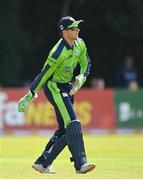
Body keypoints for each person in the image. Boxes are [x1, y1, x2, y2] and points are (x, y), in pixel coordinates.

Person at [17, 16, 95, 174]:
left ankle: (42, 163)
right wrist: (30, 94)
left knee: (65, 130)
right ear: (64, 32)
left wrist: (81, 78)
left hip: (67, 87)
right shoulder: (57, 52)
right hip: (54, 88)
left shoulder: (80, 44)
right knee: (73, 123)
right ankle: (81, 164)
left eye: (77, 27)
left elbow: (86, 62)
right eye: (73, 28)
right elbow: (44, 75)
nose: (77, 30)